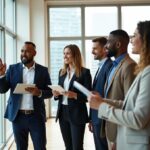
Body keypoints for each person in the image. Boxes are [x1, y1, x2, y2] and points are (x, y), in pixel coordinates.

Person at [88, 20, 150, 150]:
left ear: (145, 39)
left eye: (134, 36)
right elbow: (128, 104)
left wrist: (101, 106)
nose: (131, 40)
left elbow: (138, 118)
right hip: (123, 136)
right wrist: (102, 101)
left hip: (136, 142)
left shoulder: (143, 71)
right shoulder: (143, 69)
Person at [0, 41, 52, 150]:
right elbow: (3, 90)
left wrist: (39, 93)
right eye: (22, 51)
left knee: (40, 147)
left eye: (27, 51)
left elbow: (50, 92)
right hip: (17, 117)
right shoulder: (12, 69)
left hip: (36, 117)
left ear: (34, 53)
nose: (23, 54)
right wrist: (2, 75)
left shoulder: (43, 71)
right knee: (21, 148)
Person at [52, 44, 92, 150]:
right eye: (64, 54)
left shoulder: (84, 72)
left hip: (77, 113)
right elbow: (59, 92)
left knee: (77, 147)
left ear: (75, 55)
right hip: (63, 113)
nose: (65, 56)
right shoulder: (62, 72)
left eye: (68, 53)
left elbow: (89, 96)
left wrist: (74, 95)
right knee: (68, 146)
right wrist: (56, 94)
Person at [89, 37, 112, 150]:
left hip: (103, 118)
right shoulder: (101, 66)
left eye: (95, 49)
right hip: (96, 117)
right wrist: (91, 119)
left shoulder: (110, 66)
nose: (92, 51)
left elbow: (109, 94)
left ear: (105, 49)